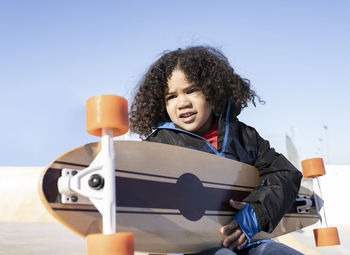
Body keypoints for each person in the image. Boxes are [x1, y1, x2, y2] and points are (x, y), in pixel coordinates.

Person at [129, 46, 303, 255]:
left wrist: (255, 214)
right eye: (171, 97)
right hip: (187, 249)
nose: (182, 102)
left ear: (212, 92)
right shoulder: (158, 144)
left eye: (191, 90)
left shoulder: (243, 136)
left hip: (247, 241)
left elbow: (285, 174)